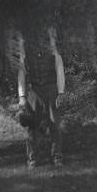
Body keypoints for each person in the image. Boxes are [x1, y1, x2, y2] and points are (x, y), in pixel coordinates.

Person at [14, 25, 66, 168]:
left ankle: (57, 157)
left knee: (54, 124)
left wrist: (60, 92)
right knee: (31, 126)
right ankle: (32, 158)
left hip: (51, 89)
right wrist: (22, 96)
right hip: (33, 92)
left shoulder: (54, 53)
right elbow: (22, 75)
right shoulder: (25, 54)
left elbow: (60, 71)